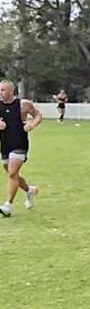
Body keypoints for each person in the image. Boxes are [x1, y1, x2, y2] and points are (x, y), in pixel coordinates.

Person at [0, 80, 42, 217]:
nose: (1, 93)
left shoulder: (23, 105)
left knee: (12, 173)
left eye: (3, 90)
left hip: (20, 143)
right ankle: (29, 190)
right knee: (12, 174)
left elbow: (38, 115)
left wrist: (32, 124)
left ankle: (7, 205)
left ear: (11, 91)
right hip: (5, 144)